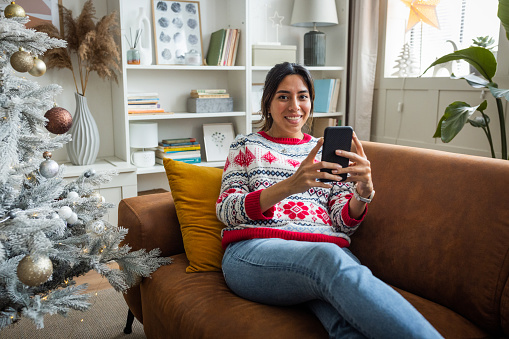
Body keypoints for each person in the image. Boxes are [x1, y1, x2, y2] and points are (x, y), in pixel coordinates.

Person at [216, 62, 442, 339]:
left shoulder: (328, 153)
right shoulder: (245, 146)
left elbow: (342, 223)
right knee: (328, 258)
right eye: (283, 96)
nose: (294, 106)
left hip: (323, 253)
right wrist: (290, 185)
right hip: (255, 253)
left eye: (303, 96)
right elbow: (227, 210)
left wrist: (364, 189)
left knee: (346, 326)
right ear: (268, 102)